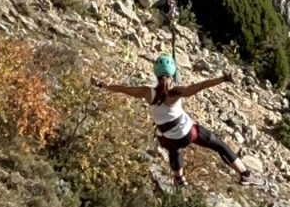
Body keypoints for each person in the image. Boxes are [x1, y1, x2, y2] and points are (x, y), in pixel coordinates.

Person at [92, 54, 263, 188]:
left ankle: (179, 178)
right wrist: (223, 79)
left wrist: (102, 85)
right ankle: (245, 174)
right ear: (172, 72)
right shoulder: (177, 92)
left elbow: (123, 89)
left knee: (174, 148)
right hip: (187, 133)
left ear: (156, 73)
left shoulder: (147, 92)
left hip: (166, 137)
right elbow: (201, 85)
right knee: (219, 145)